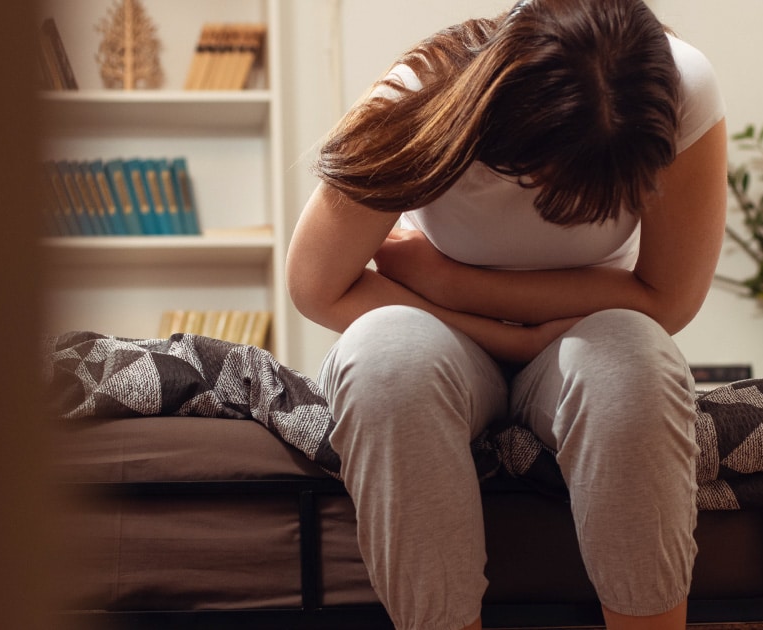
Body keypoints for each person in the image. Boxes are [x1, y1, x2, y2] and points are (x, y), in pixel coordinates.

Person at [286, 0, 727, 627]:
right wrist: (499, 336)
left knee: (633, 363)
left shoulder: (678, 91)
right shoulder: (420, 96)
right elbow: (316, 286)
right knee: (386, 356)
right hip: (437, 336)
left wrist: (448, 281)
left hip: (576, 333)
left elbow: (668, 298)